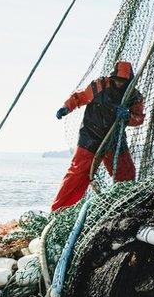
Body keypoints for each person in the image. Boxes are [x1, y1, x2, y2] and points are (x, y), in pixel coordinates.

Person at [50, 60, 145, 211]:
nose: (119, 83)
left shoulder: (134, 96)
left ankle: (124, 208)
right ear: (112, 77)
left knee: (127, 173)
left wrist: (128, 116)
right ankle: (59, 211)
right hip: (90, 136)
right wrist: (66, 108)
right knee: (77, 175)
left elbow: (139, 118)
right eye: (117, 80)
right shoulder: (99, 85)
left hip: (115, 139)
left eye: (123, 81)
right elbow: (79, 97)